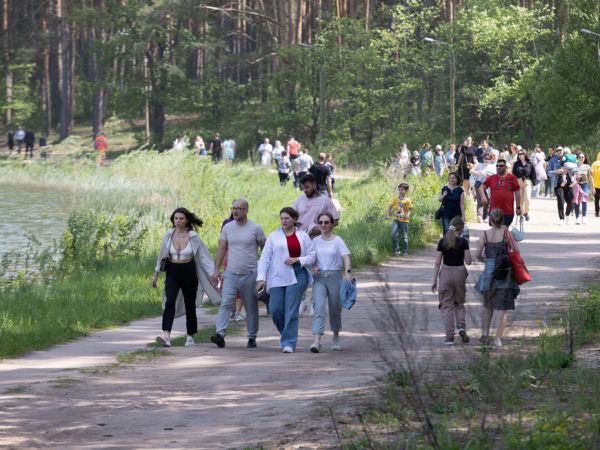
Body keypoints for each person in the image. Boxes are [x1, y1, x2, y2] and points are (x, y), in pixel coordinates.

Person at [152, 208, 220, 348]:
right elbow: (162, 255)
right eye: (176, 218)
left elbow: (204, 257)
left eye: (181, 218)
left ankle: (190, 336)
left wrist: (214, 274)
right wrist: (156, 275)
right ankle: (166, 335)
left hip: (188, 272)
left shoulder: (193, 237)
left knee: (190, 305)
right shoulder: (168, 235)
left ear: (187, 220)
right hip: (172, 272)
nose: (178, 221)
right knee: (169, 301)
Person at [256, 207, 315, 353]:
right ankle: (286, 334)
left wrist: (297, 259)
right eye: (282, 218)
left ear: (294, 219)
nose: (284, 221)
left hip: (297, 275)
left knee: (291, 310)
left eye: (287, 218)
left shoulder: (303, 236)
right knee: (275, 309)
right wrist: (261, 278)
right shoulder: (273, 236)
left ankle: (289, 342)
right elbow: (264, 259)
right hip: (277, 276)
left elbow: (312, 256)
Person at [210, 199, 266, 349]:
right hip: (231, 273)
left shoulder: (255, 228)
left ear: (246, 210)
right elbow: (222, 248)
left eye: (239, 209)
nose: (236, 211)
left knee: (251, 306)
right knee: (226, 303)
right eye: (234, 208)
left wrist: (265, 273)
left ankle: (252, 337)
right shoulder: (228, 228)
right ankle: (220, 334)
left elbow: (265, 249)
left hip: (250, 274)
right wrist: (216, 270)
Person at [474, 208, 520, 347]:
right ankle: (498, 339)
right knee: (503, 308)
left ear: (491, 219)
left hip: (489, 274)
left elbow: (477, 254)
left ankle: (485, 333)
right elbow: (516, 250)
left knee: (488, 306)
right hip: (504, 272)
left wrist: (486, 260)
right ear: (502, 220)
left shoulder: (485, 235)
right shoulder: (506, 233)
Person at [309, 212, 352, 353]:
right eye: (320, 222)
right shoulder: (315, 241)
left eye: (326, 222)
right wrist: (313, 267)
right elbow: (311, 258)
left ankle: (335, 337)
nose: (323, 225)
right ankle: (317, 340)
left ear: (332, 224)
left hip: (334, 276)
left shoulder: (337, 240)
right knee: (319, 307)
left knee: (335, 308)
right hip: (319, 277)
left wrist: (348, 272)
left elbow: (345, 256)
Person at [432, 216, 472, 345]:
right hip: (460, 273)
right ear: (461, 229)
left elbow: (438, 262)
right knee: (459, 303)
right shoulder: (463, 242)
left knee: (446, 305)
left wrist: (434, 280)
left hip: (446, 274)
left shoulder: (442, 242)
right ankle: (461, 326)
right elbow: (468, 261)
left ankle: (449, 336)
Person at [293, 173, 340, 239]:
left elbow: (335, 221)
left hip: (319, 239)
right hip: (301, 239)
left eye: (307, 187)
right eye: (303, 188)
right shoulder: (298, 201)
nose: (305, 190)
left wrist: (321, 228)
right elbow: (291, 220)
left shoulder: (325, 201)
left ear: (314, 185)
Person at [479, 159, 521, 227]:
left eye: (501, 166)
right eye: (497, 166)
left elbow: (517, 193)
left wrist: (518, 207)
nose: (498, 167)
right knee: (495, 230)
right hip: (494, 211)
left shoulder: (512, 178)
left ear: (505, 167)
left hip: (508, 211)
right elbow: (481, 187)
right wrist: (483, 197)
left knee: (503, 231)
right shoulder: (491, 178)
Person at [385, 182, 412, 256]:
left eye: (402, 190)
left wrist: (408, 215)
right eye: (399, 190)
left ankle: (404, 251)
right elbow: (390, 207)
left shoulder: (407, 200)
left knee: (404, 236)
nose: (400, 191)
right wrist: (387, 215)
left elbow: (409, 210)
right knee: (393, 235)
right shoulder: (395, 199)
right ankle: (396, 251)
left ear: (406, 191)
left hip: (404, 220)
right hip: (396, 219)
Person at [549, 147, 573, 225]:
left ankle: (567, 215)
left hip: (568, 182)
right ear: (556, 152)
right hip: (558, 183)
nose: (559, 151)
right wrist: (556, 171)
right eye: (557, 150)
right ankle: (561, 218)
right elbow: (548, 172)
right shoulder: (552, 160)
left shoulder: (568, 158)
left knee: (570, 201)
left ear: (563, 151)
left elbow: (574, 166)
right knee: (560, 200)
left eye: (560, 150)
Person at [512, 148, 536, 221]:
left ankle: (526, 212)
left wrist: (533, 183)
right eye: (519, 154)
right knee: (520, 200)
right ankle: (521, 215)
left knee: (527, 198)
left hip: (527, 182)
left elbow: (533, 174)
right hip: (518, 182)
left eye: (522, 154)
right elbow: (513, 174)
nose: (520, 155)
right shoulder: (516, 164)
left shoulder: (529, 163)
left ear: (525, 154)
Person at [471, 153, 496, 222]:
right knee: (481, 199)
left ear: (491, 160)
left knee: (487, 201)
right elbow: (471, 171)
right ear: (483, 159)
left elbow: (495, 176)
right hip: (479, 183)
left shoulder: (493, 167)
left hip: (488, 185)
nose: (487, 160)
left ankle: (485, 216)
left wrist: (488, 176)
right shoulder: (479, 165)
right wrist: (478, 173)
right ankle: (479, 215)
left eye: (488, 159)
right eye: (486, 158)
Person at [572, 153, 592, 225]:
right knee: (576, 201)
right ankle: (577, 218)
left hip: (585, 185)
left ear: (584, 158)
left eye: (582, 157)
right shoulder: (574, 167)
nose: (581, 158)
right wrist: (575, 178)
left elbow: (590, 178)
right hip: (576, 185)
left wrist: (593, 188)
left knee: (584, 200)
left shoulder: (587, 167)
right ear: (577, 158)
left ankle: (584, 217)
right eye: (579, 157)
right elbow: (570, 176)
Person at [591, 151, 600, 217]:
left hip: (596, 185)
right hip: (596, 185)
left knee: (596, 199)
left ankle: (597, 212)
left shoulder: (594, 164)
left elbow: (591, 173)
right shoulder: (595, 164)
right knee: (596, 199)